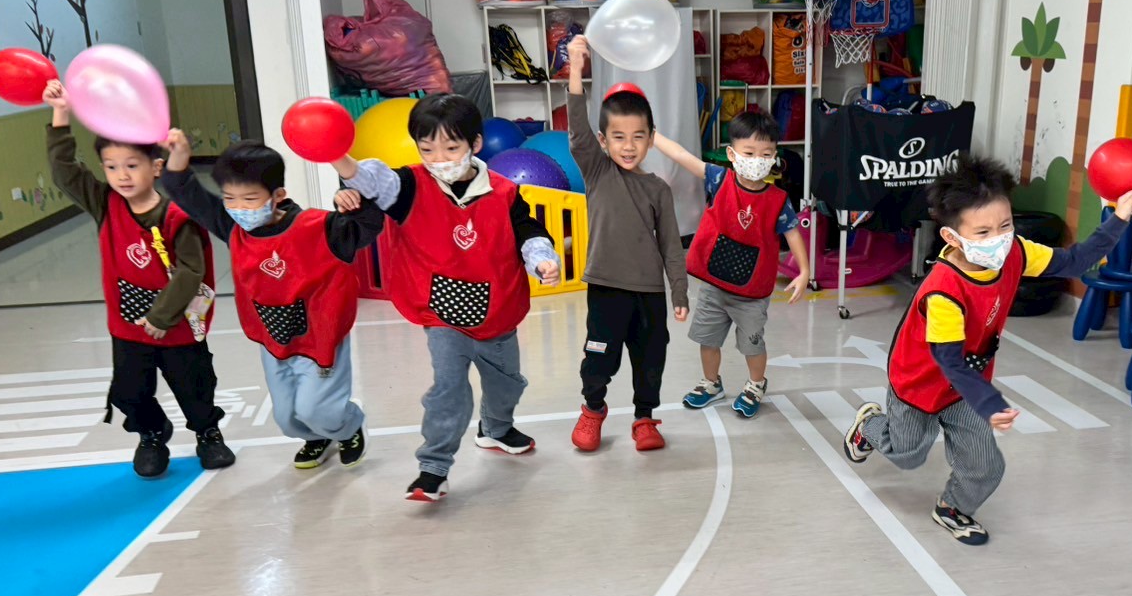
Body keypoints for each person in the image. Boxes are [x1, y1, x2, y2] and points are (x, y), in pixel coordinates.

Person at [843, 155, 1132, 546]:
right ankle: (870, 426)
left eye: (1005, 225)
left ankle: (952, 507)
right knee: (907, 454)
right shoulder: (944, 292)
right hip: (920, 382)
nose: (998, 239)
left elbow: (1073, 262)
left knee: (985, 465)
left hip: (967, 386)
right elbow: (949, 360)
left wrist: (1118, 217)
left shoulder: (1015, 251)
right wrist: (989, 403)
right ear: (953, 237)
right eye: (982, 232)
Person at [331, 94, 560, 503]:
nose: (439, 159)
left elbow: (528, 230)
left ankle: (496, 428)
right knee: (448, 389)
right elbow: (370, 180)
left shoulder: (504, 191)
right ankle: (433, 468)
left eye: (451, 148)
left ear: (475, 144)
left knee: (507, 385)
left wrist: (541, 259)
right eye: (427, 149)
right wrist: (335, 156)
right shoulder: (408, 186)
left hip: (499, 309)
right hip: (441, 313)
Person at [42, 80, 234, 479]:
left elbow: (191, 270)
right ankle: (151, 434)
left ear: (156, 167)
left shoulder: (177, 216)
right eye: (112, 167)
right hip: (128, 329)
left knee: (195, 387)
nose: (122, 176)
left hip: (176, 328)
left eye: (132, 165)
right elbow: (65, 174)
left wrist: (162, 317)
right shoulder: (105, 203)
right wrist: (60, 114)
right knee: (129, 393)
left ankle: (208, 433)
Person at [162, 137, 383, 470]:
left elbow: (368, 226)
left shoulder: (319, 228)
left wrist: (354, 202)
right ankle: (317, 437)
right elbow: (187, 194)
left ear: (277, 195)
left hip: (320, 338)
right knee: (287, 418)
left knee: (316, 409)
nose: (239, 208)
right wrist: (178, 158)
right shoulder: (233, 227)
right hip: (274, 340)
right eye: (229, 198)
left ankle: (348, 425)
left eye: (250, 199)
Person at [564, 35, 688, 452]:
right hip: (606, 287)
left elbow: (671, 246)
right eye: (618, 136)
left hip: (649, 293)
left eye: (638, 136)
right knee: (599, 357)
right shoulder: (597, 171)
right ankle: (592, 409)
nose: (629, 146)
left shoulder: (658, 189)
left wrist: (679, 292)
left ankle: (644, 418)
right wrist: (576, 68)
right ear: (603, 141)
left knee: (650, 359)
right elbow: (577, 128)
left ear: (651, 138)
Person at [651, 111, 809, 418]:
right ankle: (711, 383)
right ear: (732, 154)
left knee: (753, 344)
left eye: (766, 154)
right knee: (707, 340)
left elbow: (792, 233)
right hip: (714, 285)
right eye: (749, 153)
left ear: (774, 156)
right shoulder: (719, 179)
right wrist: (653, 135)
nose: (757, 160)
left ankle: (756, 384)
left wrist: (804, 271)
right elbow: (682, 156)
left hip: (752, 293)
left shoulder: (778, 199)